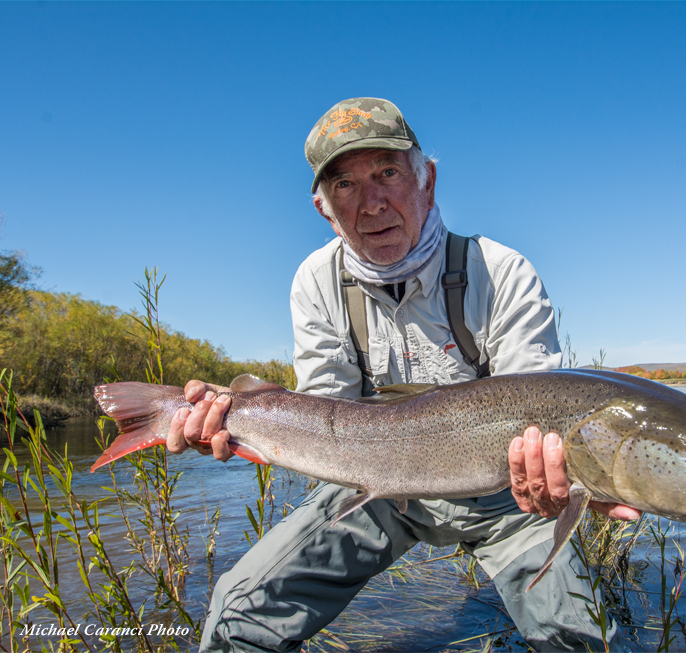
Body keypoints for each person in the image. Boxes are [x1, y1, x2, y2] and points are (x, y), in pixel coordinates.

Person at [167, 98, 641, 652]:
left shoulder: (501, 270)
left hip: (510, 499)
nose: (371, 204)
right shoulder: (316, 282)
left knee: (582, 641)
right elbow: (326, 425)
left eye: (388, 172)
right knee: (235, 613)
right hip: (376, 488)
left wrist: (587, 475)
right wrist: (241, 422)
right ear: (324, 207)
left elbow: (541, 408)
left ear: (428, 180)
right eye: (344, 184)